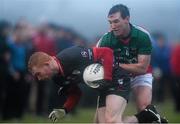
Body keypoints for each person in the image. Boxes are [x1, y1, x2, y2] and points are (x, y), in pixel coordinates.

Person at [28, 45, 162, 123]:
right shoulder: (57, 78)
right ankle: (147, 115)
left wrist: (107, 78)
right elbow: (76, 93)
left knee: (112, 121)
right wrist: (65, 109)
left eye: (38, 74)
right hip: (104, 87)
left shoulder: (72, 55)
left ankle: (146, 115)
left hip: (117, 77)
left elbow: (106, 52)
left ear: (46, 64)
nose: (39, 79)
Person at [96, 4, 167, 123]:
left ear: (127, 19)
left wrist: (115, 65)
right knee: (101, 121)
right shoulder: (105, 40)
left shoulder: (142, 36)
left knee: (144, 108)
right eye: (110, 22)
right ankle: (152, 117)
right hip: (117, 77)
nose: (113, 26)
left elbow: (142, 68)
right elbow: (97, 64)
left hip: (139, 75)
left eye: (116, 21)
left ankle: (148, 116)